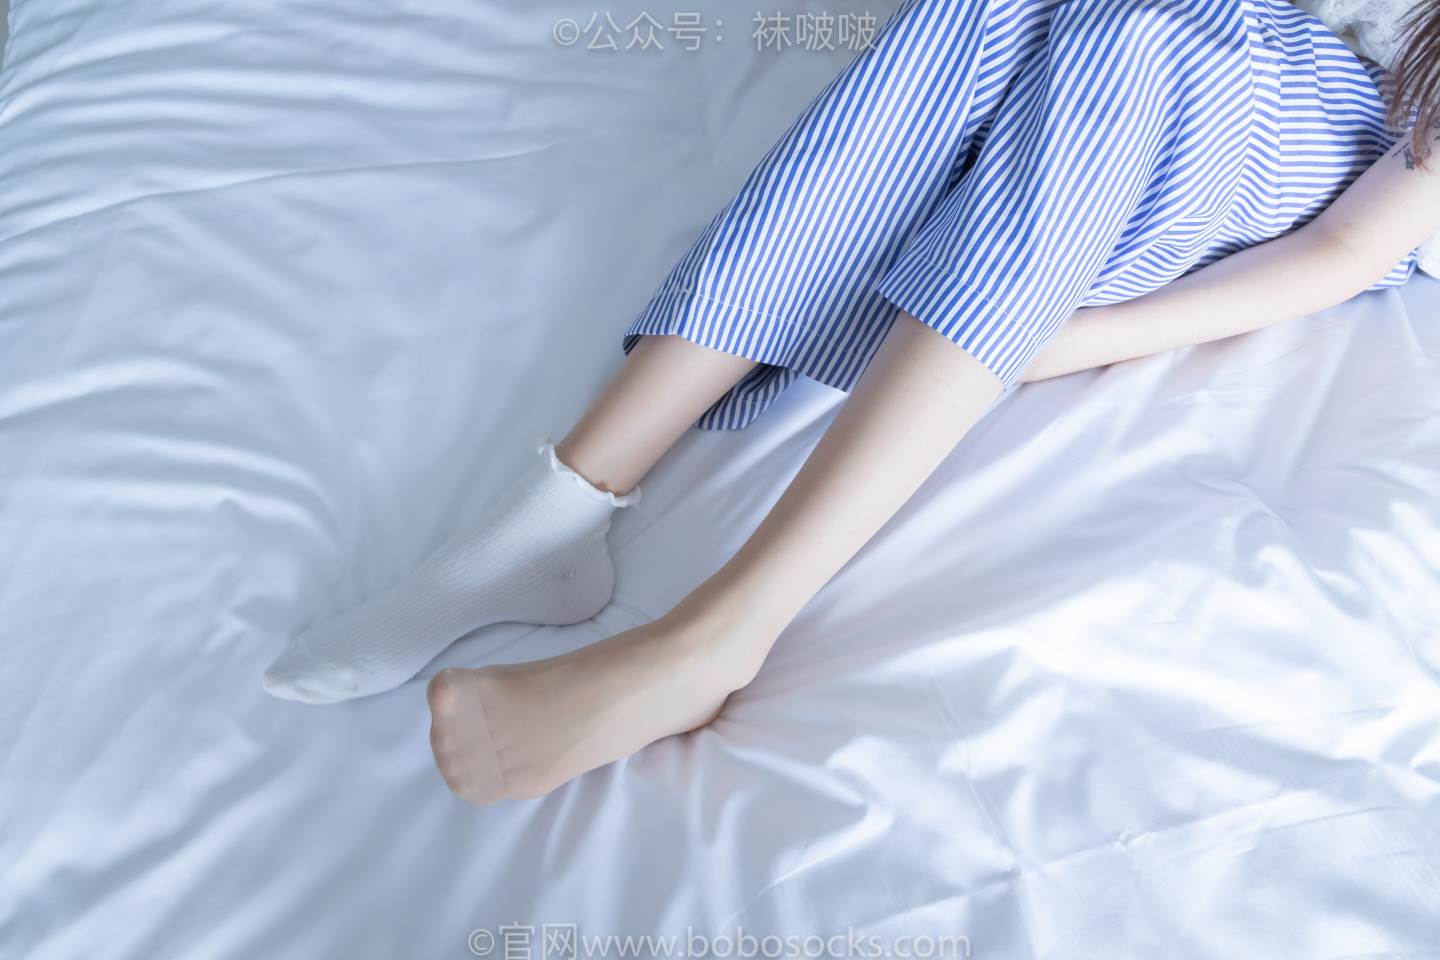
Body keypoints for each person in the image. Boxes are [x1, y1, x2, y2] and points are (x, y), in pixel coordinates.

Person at [261, 0, 1440, 806]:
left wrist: (1052, 341)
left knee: (1147, 35)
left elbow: (1343, 252)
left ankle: (723, 631)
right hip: (1194, 46)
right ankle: (562, 506)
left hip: (1325, 133)